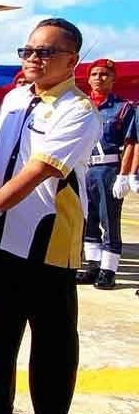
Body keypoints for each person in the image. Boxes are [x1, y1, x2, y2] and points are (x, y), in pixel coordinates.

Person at [0, 17, 102, 414]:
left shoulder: (78, 110)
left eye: (45, 52)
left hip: (47, 240)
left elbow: (42, 169)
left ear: (72, 60)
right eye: (28, 51)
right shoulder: (16, 99)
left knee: (52, 340)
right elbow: (3, 160)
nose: (33, 59)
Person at [77, 59, 135, 290]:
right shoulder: (81, 106)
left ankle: (109, 270)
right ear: (88, 79)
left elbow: (131, 143)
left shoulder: (123, 108)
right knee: (88, 218)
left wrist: (125, 174)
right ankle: (93, 265)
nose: (100, 78)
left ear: (113, 80)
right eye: (95, 74)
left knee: (108, 219)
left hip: (108, 169)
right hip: (84, 168)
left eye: (105, 74)